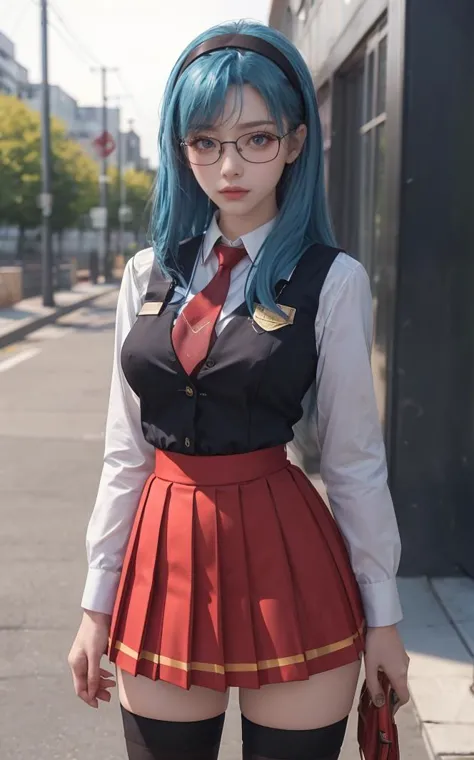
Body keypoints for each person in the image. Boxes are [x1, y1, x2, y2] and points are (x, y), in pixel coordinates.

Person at [68, 19, 410, 760]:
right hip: (162, 556)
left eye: (255, 139)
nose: (230, 165)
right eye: (206, 142)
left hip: (288, 556)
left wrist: (384, 617)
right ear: (180, 147)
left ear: (292, 143)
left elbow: (354, 460)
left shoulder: (333, 280)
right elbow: (123, 451)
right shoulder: (145, 274)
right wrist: (96, 604)